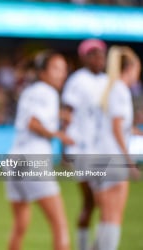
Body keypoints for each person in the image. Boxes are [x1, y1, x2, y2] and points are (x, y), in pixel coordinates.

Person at [6, 50, 74, 250]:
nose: (62, 74)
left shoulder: (30, 90)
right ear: (42, 72)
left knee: (19, 226)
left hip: (13, 159)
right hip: (33, 160)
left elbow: (31, 116)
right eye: (56, 68)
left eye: (63, 69)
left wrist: (60, 116)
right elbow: (33, 122)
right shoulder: (48, 92)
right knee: (60, 225)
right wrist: (57, 134)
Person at [91, 46, 141, 250]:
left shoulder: (110, 88)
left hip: (100, 157)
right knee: (114, 215)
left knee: (106, 215)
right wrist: (129, 161)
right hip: (113, 158)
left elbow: (121, 126)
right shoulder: (120, 90)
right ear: (129, 68)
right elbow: (116, 128)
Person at [61, 38, 108, 250]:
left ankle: (95, 245)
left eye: (101, 55)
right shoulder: (77, 81)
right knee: (94, 200)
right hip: (81, 150)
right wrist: (64, 149)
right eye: (94, 54)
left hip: (102, 150)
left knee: (101, 203)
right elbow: (67, 114)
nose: (99, 59)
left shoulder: (108, 81)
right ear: (84, 57)